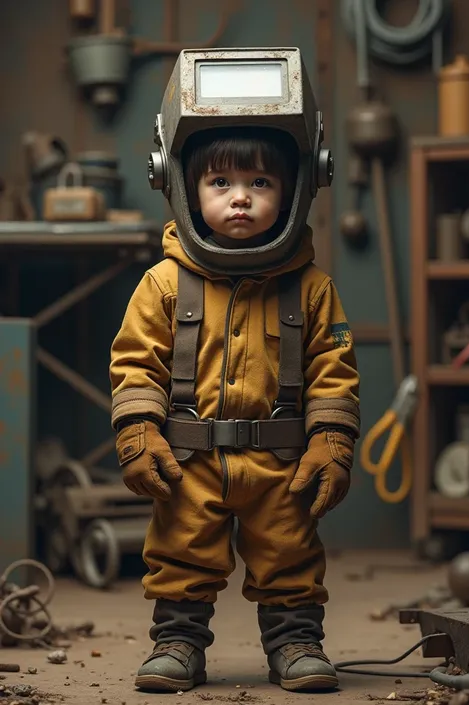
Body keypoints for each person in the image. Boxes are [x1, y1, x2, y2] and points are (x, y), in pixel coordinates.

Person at [109, 48, 360, 694]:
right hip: (188, 459)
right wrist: (139, 429)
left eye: (261, 184)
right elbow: (137, 358)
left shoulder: (312, 288)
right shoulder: (164, 283)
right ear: (181, 181)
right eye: (221, 184)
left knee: (290, 556)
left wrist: (331, 441)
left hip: (282, 462)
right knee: (181, 554)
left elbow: (334, 369)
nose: (241, 199)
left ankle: (296, 639)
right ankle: (177, 639)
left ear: (301, 184)